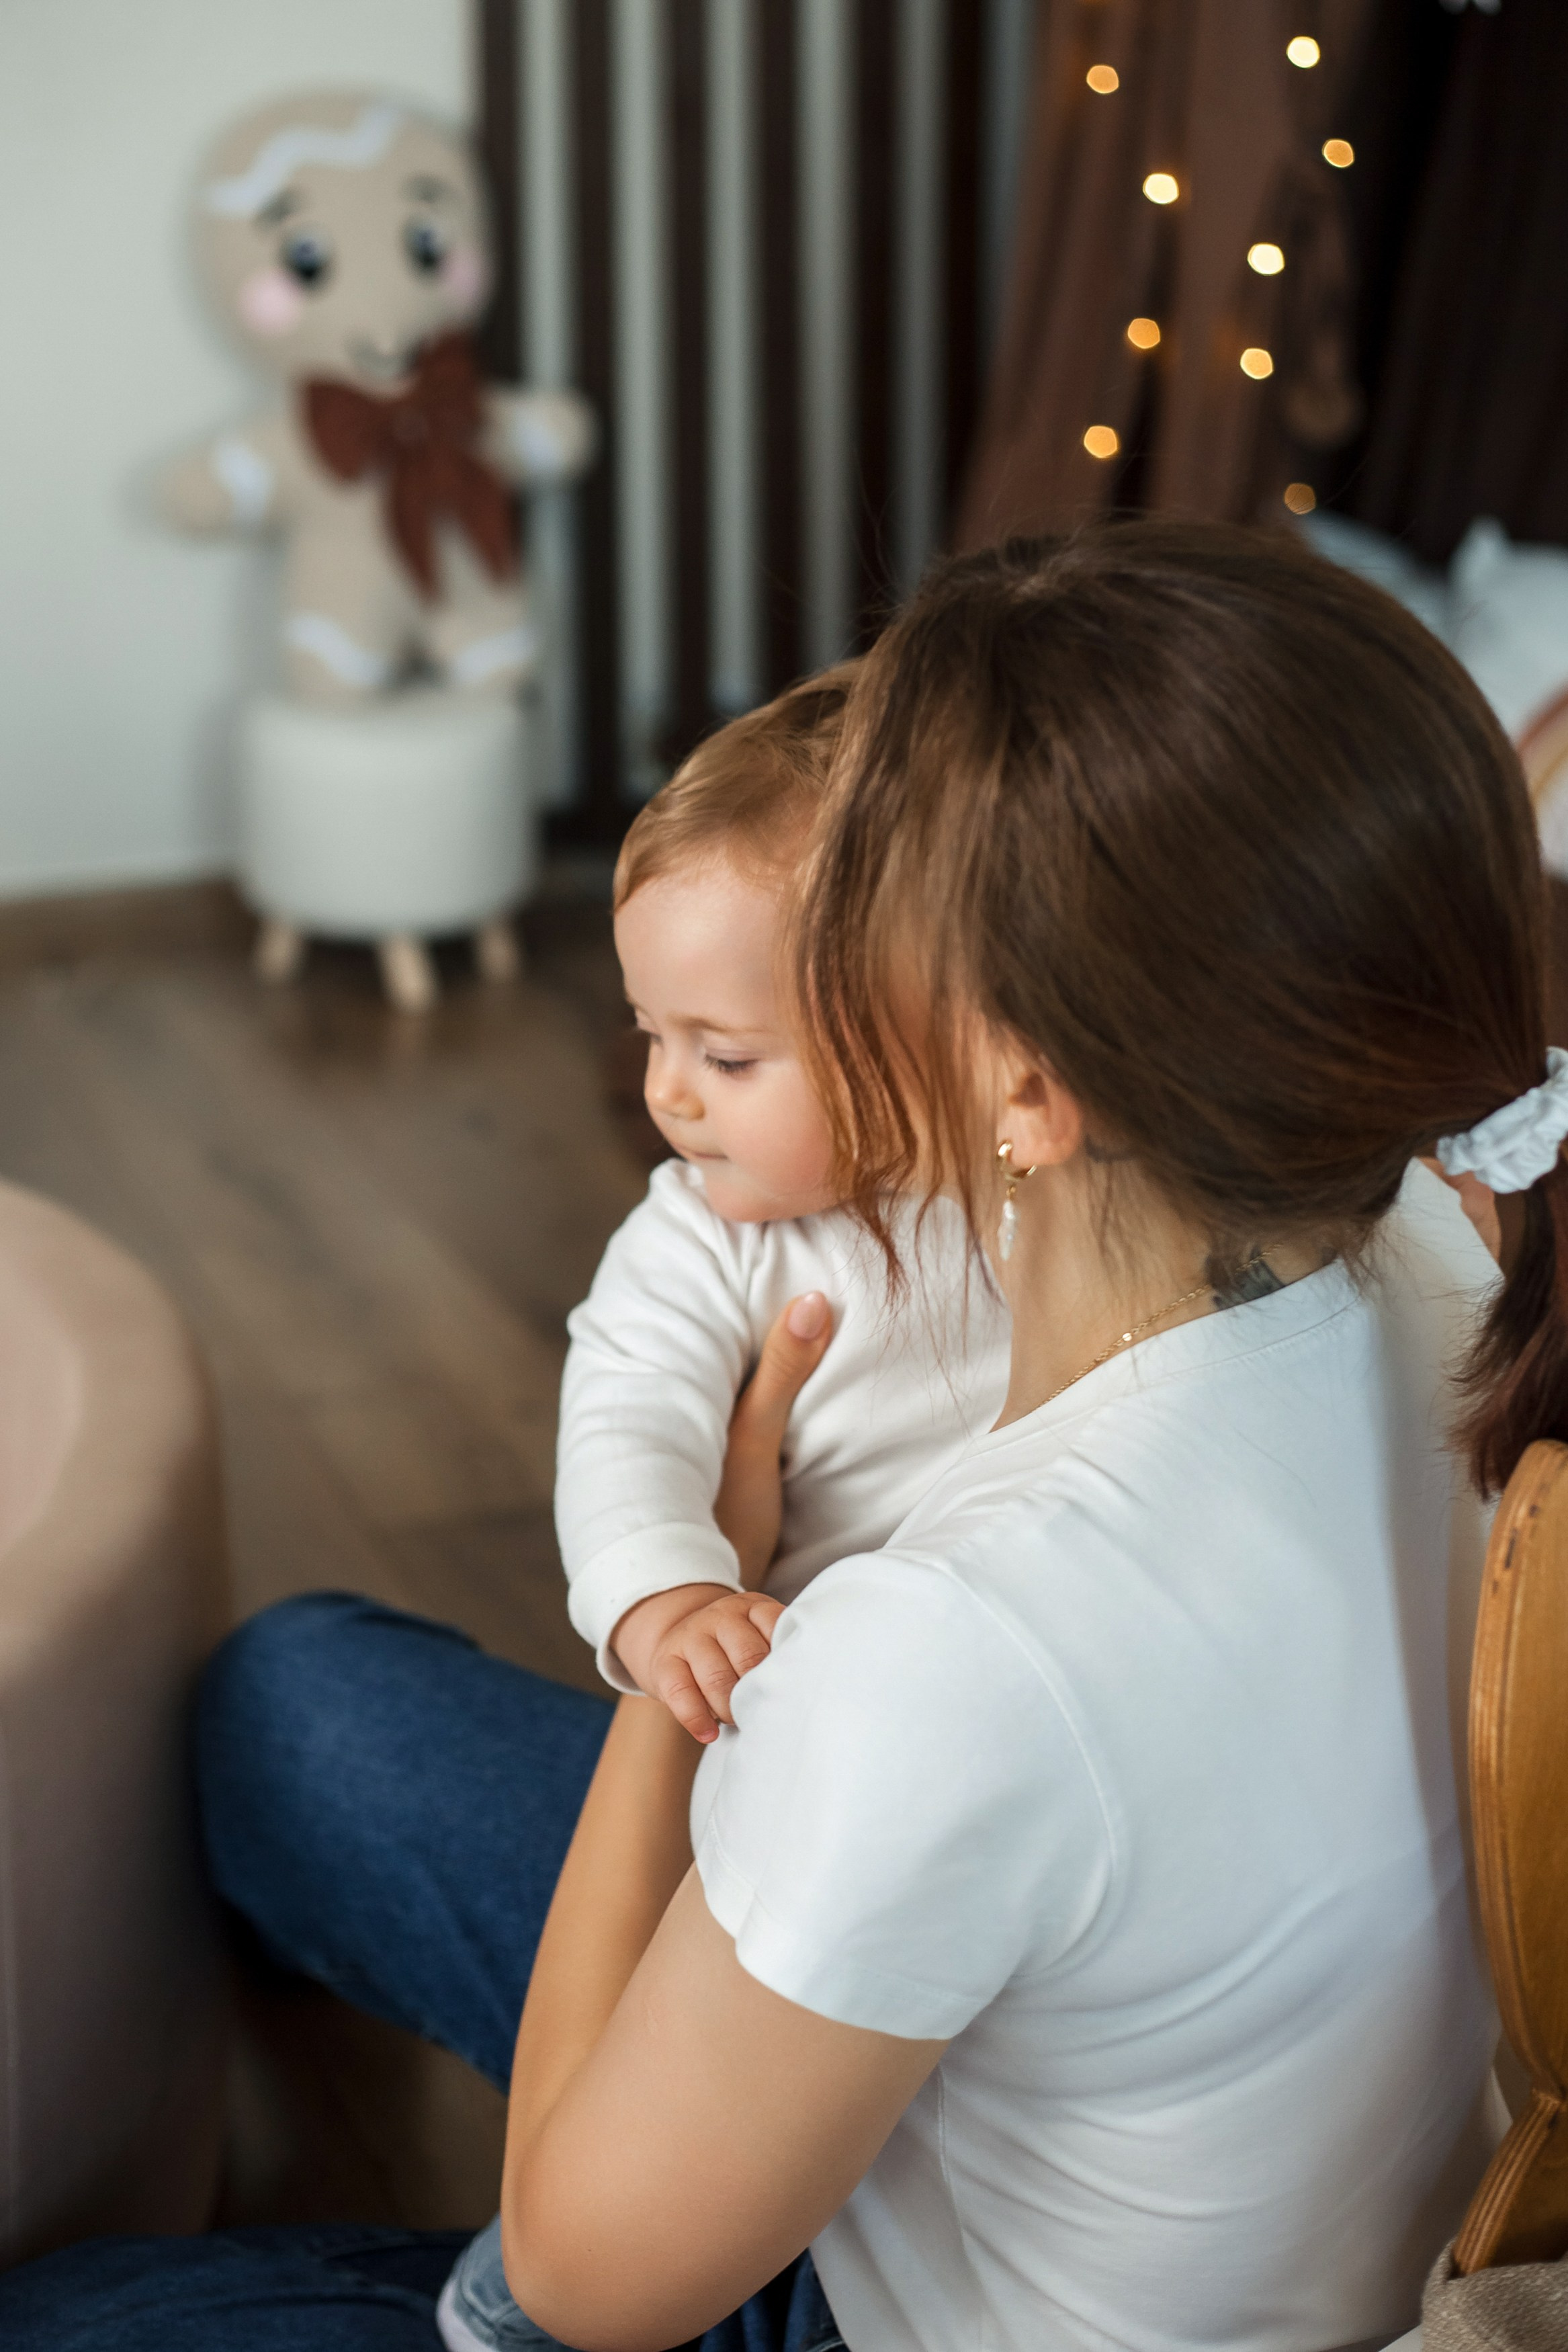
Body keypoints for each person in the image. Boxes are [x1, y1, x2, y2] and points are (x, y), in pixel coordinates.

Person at [1, 520, 1555, 2351]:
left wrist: (702, 1638)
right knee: (287, 1698)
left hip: (893, 2287)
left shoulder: (961, 1641)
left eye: (859, 908)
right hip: (1123, 2091)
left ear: (1031, 1086)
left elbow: (581, 2273)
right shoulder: (1446, 1254)